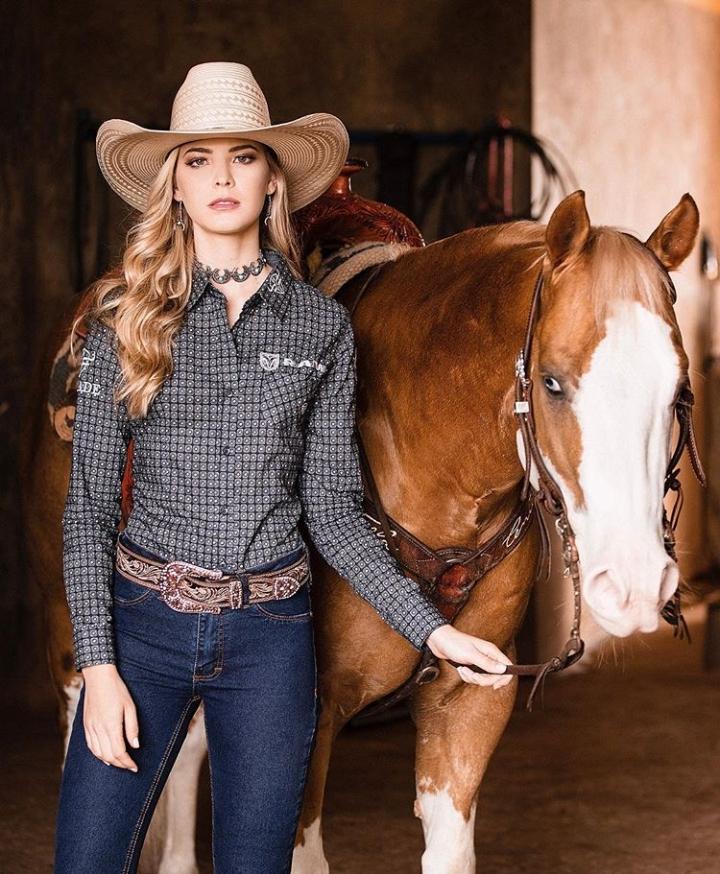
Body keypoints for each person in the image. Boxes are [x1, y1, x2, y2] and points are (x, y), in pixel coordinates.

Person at [53, 61, 513, 874]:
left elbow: (334, 512)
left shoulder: (319, 329)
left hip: (270, 643)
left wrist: (434, 630)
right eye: (197, 159)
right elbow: (88, 507)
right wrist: (98, 665)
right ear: (175, 185)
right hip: (143, 631)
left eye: (242, 156)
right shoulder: (123, 316)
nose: (221, 175)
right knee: (87, 861)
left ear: (273, 179)